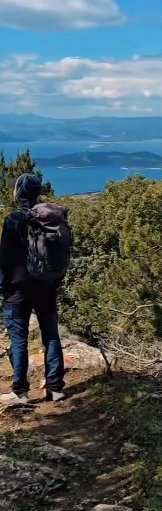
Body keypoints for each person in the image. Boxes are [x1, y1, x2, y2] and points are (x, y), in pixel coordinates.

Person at [0, 174, 66, 406]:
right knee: (51, 336)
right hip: (47, 286)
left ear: (18, 192)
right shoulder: (52, 219)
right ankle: (56, 388)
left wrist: (2, 288)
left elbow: (6, 260)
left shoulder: (14, 220)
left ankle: (20, 392)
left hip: (18, 290)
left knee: (19, 339)